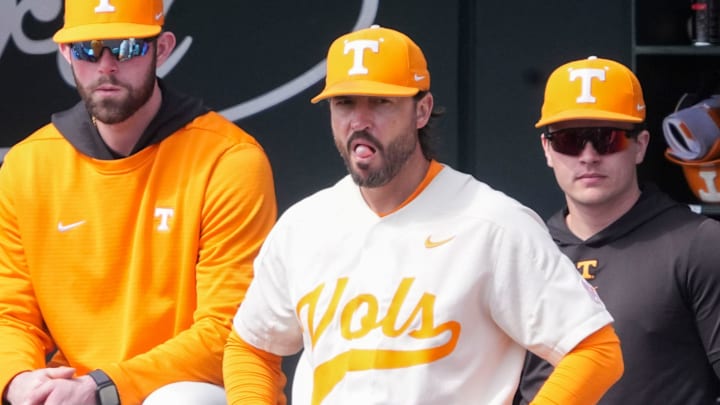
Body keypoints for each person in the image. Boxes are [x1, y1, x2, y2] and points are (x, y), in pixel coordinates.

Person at [223, 25, 624, 405]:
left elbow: (594, 349)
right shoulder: (303, 225)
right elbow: (251, 347)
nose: (360, 121)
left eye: (381, 102)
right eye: (345, 103)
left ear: (421, 110)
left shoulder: (491, 222)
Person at [0, 0, 277, 404]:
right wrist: (22, 382)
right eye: (87, 50)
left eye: (127, 47)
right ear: (65, 54)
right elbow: (9, 313)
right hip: (74, 392)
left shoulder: (227, 159)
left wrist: (103, 387)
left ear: (161, 49)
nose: (106, 66)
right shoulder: (27, 165)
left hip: (187, 388)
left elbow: (231, 333)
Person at [514, 56, 720, 404]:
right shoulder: (523, 250)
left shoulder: (699, 243)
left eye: (606, 139)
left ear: (640, 145)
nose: (589, 155)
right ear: (547, 149)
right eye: (570, 140)